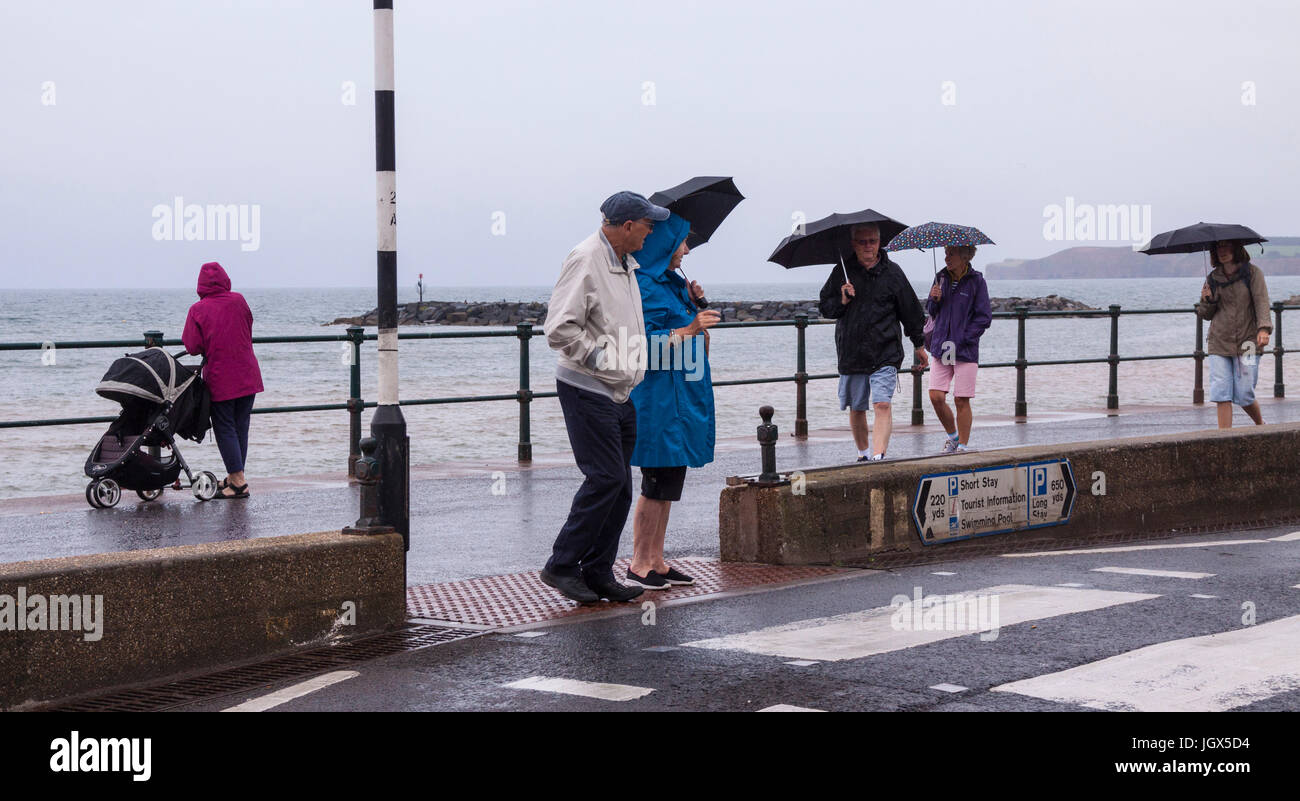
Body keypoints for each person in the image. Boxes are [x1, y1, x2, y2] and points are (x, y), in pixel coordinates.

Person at [539, 191, 670, 604]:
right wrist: (603, 360)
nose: (652, 232)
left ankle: (597, 572)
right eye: (648, 224)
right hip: (587, 386)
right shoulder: (587, 258)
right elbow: (558, 328)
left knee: (620, 489)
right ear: (628, 225)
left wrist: (624, 369)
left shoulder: (626, 263)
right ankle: (561, 565)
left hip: (619, 391)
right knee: (606, 479)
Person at [626, 213, 720, 590]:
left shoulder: (675, 284)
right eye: (682, 242)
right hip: (659, 397)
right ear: (665, 244)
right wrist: (690, 327)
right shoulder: (646, 285)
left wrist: (698, 305)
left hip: (681, 394)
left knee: (669, 481)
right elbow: (644, 347)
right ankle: (638, 563)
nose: (685, 250)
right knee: (654, 480)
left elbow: (698, 339)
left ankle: (657, 560)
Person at [818, 223, 928, 461]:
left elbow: (910, 311)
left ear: (880, 243)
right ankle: (863, 454)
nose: (868, 246)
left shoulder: (893, 272)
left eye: (873, 241)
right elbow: (825, 307)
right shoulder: (842, 271)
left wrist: (919, 345)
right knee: (857, 407)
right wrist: (842, 299)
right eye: (862, 241)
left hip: (885, 350)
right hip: (852, 351)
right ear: (853, 244)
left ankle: (879, 457)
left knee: (882, 404)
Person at [181, 261, 264, 498]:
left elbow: (192, 346)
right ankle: (235, 476)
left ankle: (238, 482)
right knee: (241, 427)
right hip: (248, 373)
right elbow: (248, 326)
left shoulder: (198, 309)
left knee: (225, 427)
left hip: (221, 377)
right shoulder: (239, 300)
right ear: (225, 279)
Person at [1195, 239, 1271, 429]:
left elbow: (1262, 302)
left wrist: (1264, 329)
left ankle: (1260, 425)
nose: (1223, 250)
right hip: (1219, 343)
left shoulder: (1252, 273)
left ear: (1236, 248)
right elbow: (1205, 315)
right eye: (1219, 247)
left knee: (1245, 392)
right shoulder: (1212, 278)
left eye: (1227, 245)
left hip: (1248, 343)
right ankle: (1224, 440)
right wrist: (1207, 301)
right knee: (1221, 393)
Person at [925, 245, 993, 452]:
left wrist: (964, 337)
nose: (947, 258)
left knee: (961, 399)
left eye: (951, 254)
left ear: (964, 257)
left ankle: (963, 446)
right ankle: (953, 437)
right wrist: (934, 299)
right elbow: (931, 310)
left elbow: (984, 317)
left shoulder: (977, 281)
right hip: (942, 346)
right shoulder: (941, 277)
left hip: (964, 349)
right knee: (936, 396)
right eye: (945, 254)